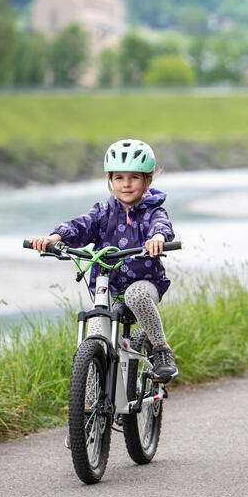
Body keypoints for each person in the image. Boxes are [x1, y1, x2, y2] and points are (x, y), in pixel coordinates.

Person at [30, 138, 178, 380]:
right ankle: (91, 399)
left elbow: (161, 225)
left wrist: (158, 237)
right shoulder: (103, 212)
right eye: (119, 177)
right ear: (110, 181)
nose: (126, 184)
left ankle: (161, 349)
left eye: (134, 177)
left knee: (136, 295)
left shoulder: (153, 211)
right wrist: (54, 238)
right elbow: (80, 226)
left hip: (144, 282)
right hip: (106, 286)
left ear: (147, 181)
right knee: (96, 331)